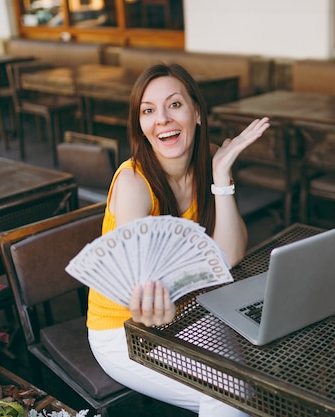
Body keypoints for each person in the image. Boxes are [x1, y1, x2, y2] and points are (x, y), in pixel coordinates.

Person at [87, 63, 270, 416]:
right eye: (149, 110)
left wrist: (221, 173)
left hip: (190, 314)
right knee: (229, 398)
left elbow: (229, 254)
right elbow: (141, 286)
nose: (162, 120)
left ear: (197, 112)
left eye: (174, 105)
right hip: (125, 330)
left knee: (254, 383)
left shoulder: (209, 160)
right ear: (140, 124)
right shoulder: (134, 183)